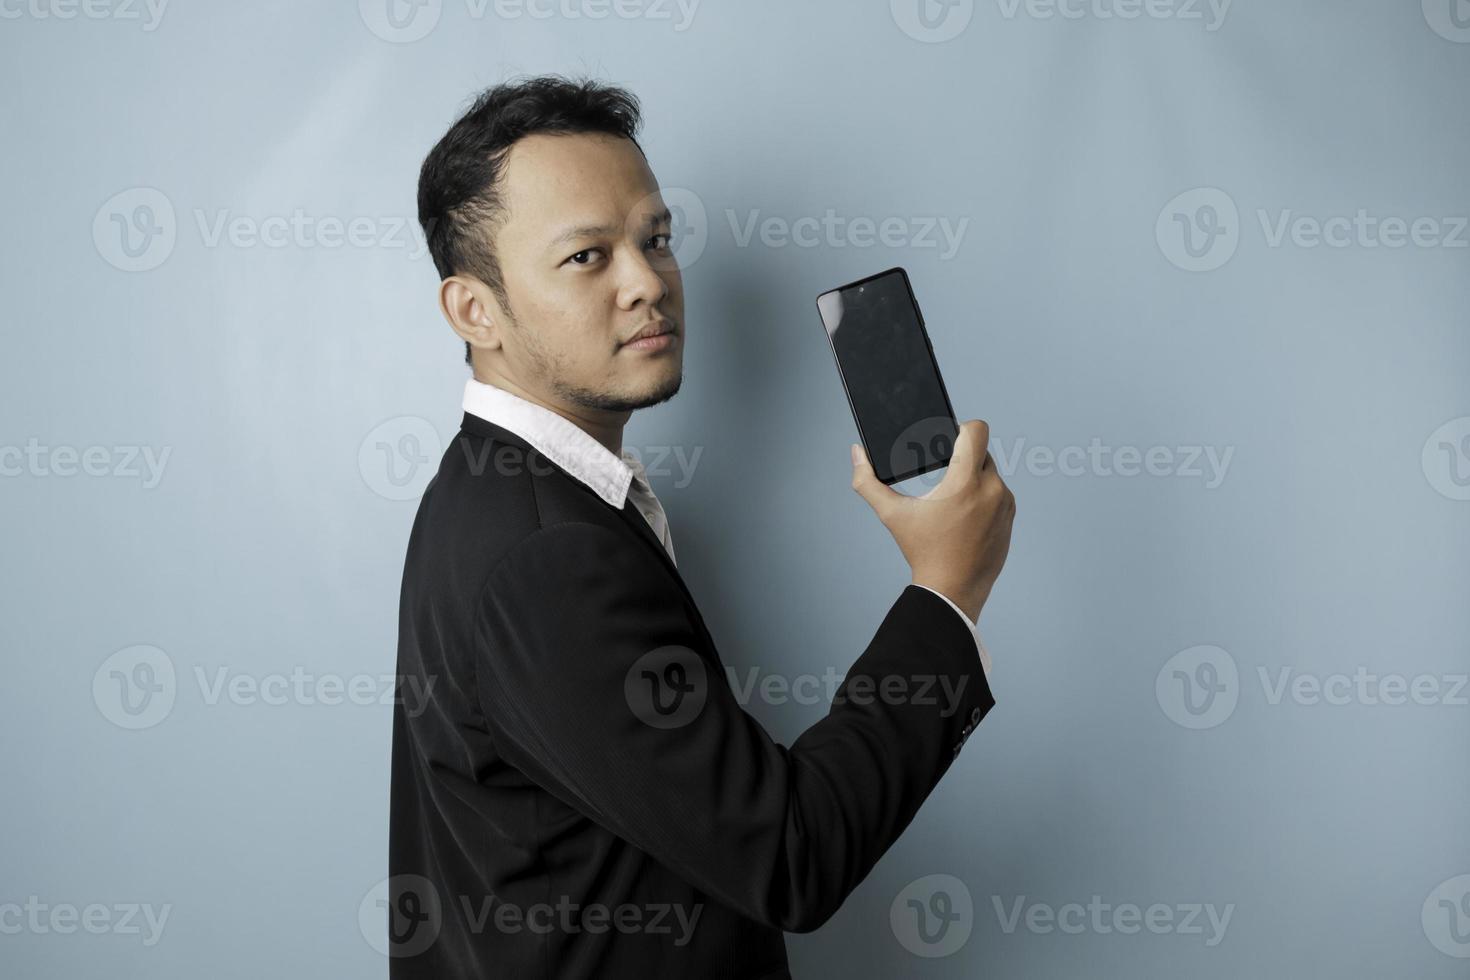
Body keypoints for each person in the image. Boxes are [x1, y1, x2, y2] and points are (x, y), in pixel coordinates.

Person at [387, 74, 1016, 979]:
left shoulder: (495, 490)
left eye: (656, 239)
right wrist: (945, 594)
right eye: (586, 257)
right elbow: (790, 854)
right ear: (473, 310)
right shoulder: (548, 555)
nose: (649, 282)